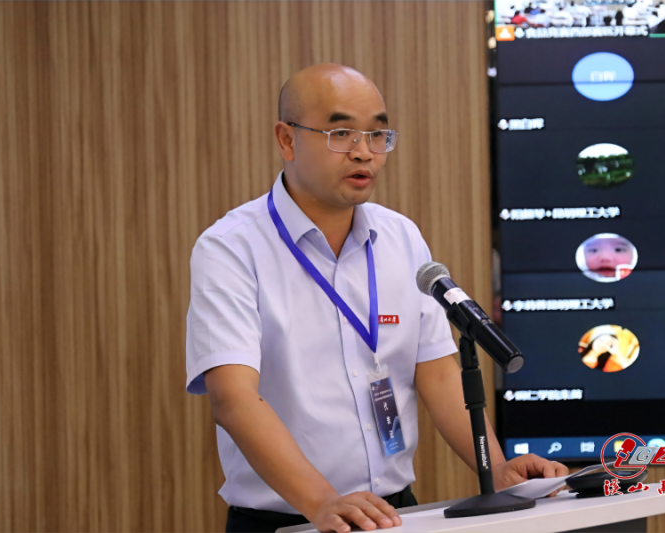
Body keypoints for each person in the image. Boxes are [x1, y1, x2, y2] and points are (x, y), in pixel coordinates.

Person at [185, 63, 568, 533]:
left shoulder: (400, 237)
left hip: (392, 515)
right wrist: (322, 502)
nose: (363, 152)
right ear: (287, 139)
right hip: (287, 520)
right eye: (341, 133)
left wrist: (498, 468)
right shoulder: (231, 247)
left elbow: (438, 373)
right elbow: (233, 398)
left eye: (378, 135)